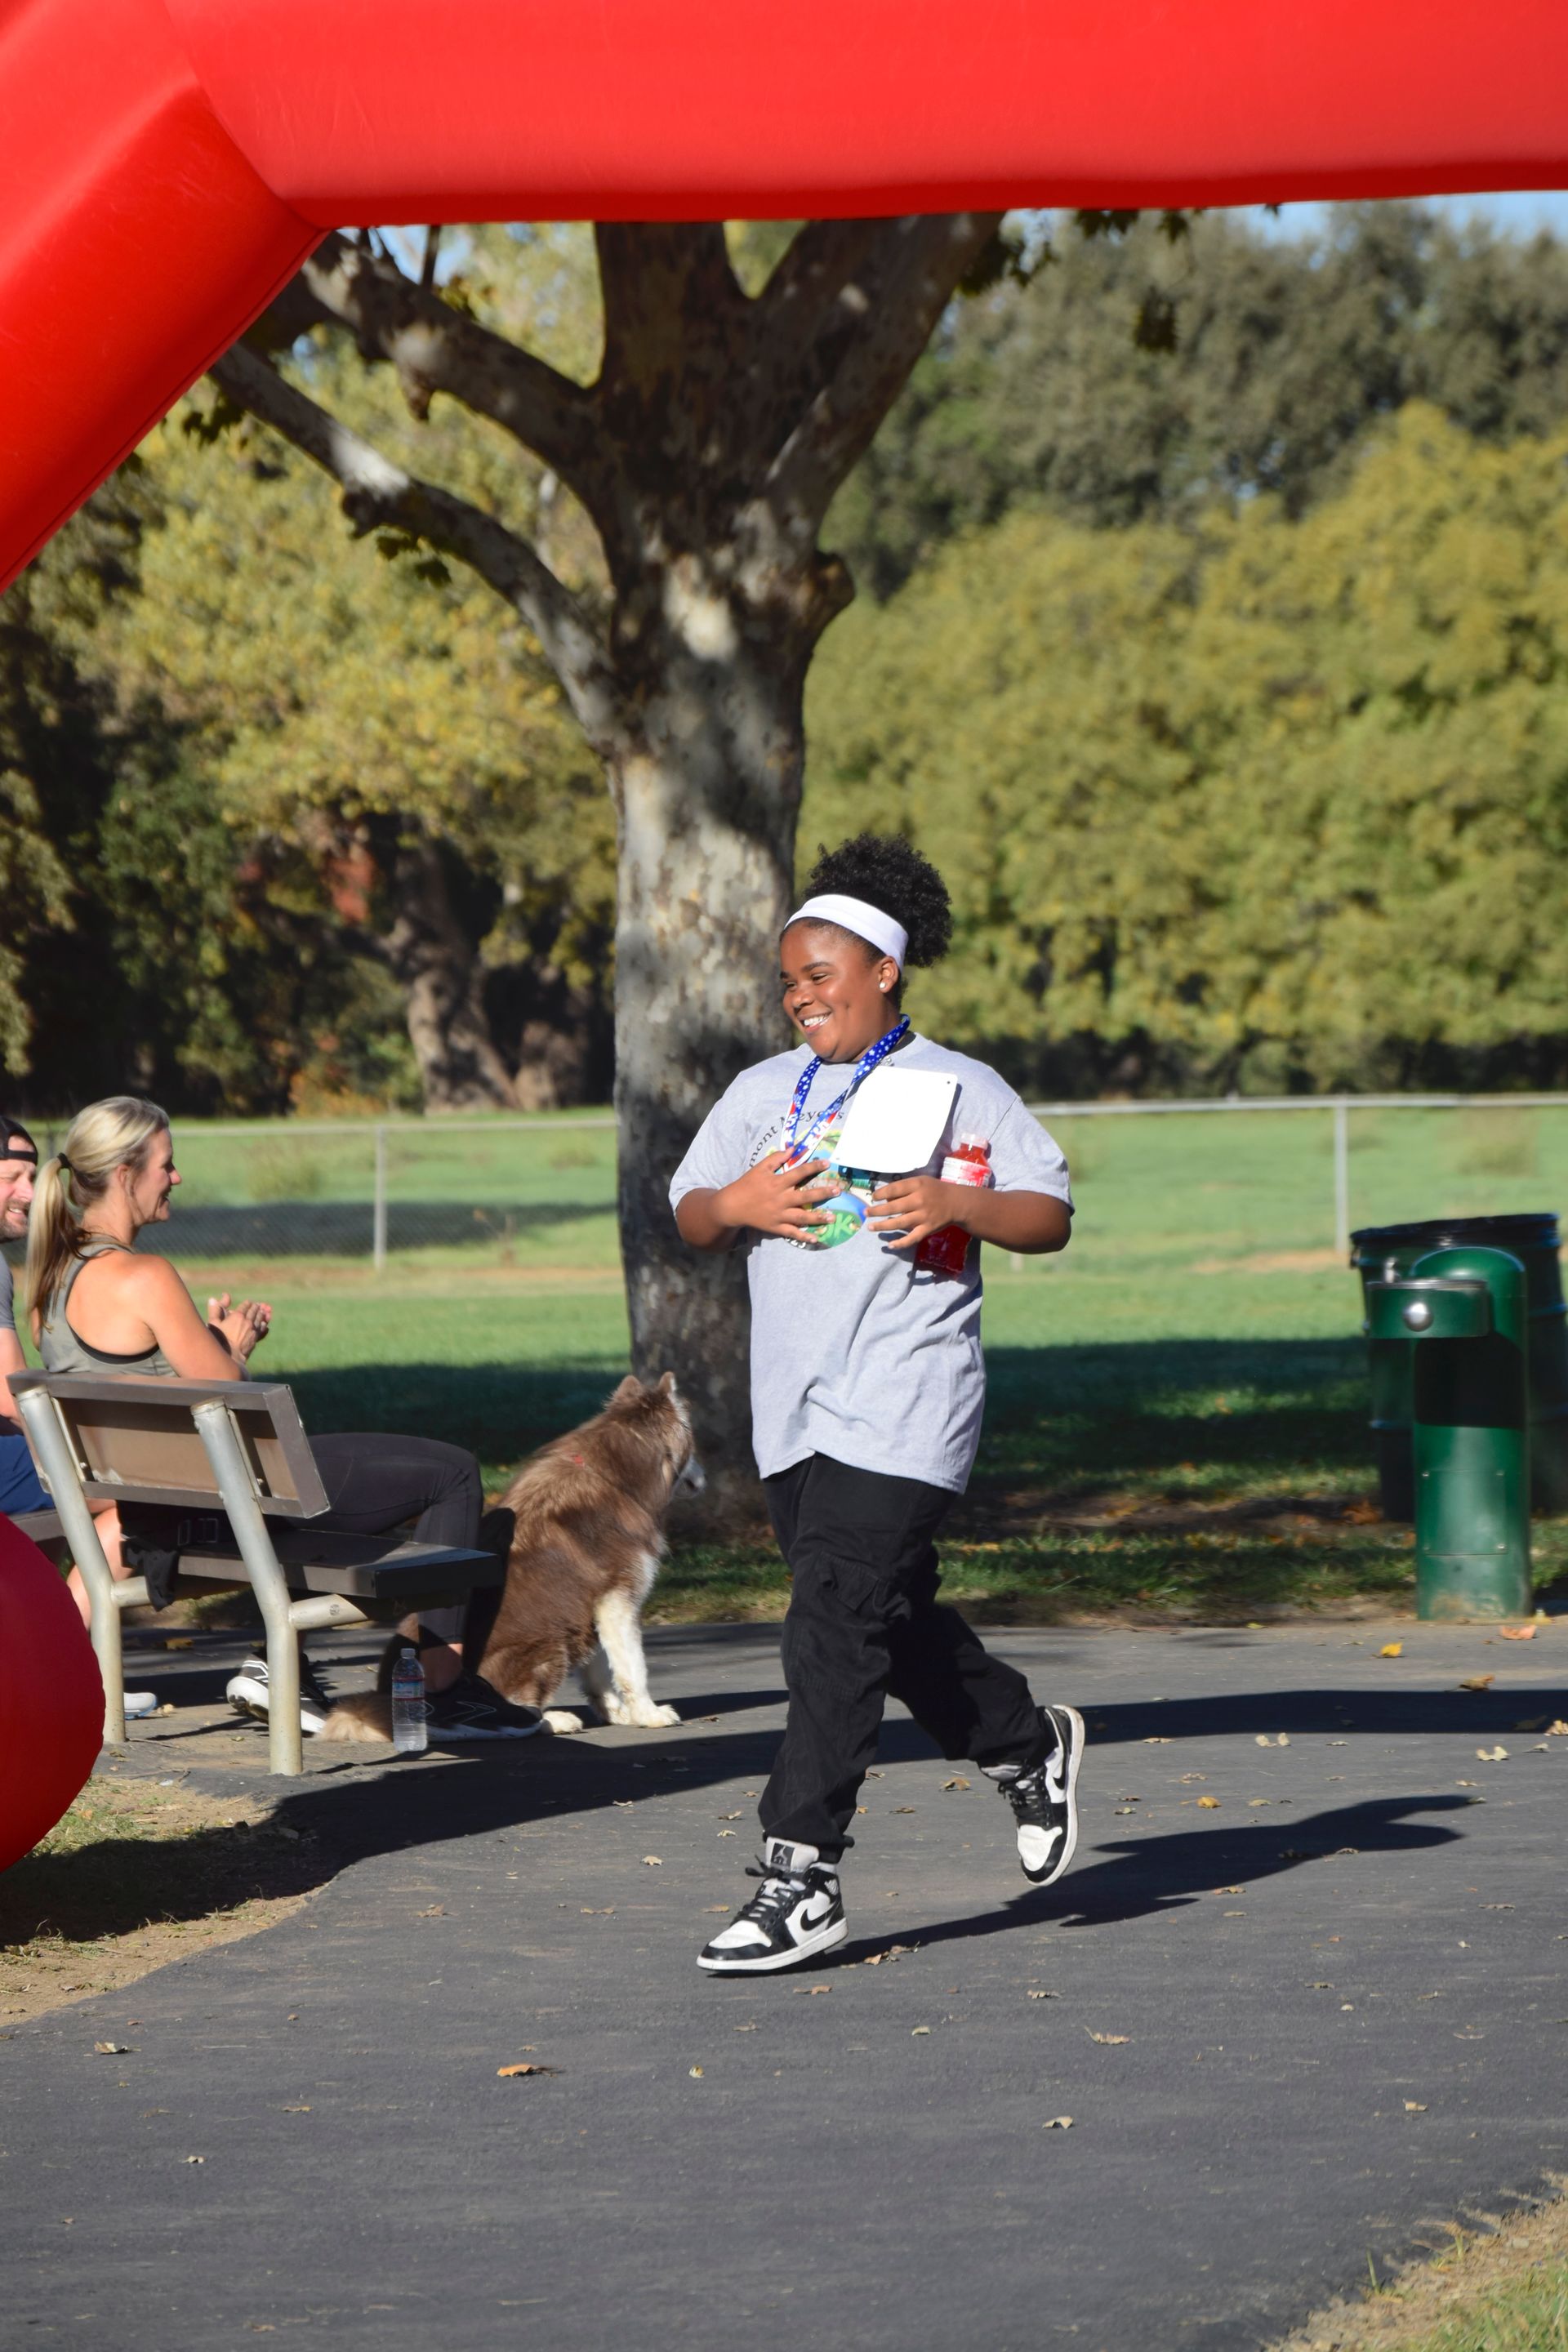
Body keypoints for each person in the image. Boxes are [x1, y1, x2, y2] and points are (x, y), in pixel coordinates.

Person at [670, 835, 1085, 1974]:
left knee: (832, 1623)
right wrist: (740, 1200)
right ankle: (1023, 1743)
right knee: (880, 1618)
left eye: (822, 973)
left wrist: (960, 1195)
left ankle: (798, 1874)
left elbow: (1047, 1210)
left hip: (909, 1399)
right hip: (793, 1411)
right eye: (790, 978)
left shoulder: (960, 1088)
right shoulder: (763, 1093)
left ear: (884, 971)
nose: (800, 993)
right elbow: (691, 1211)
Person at [29, 1095, 539, 1740]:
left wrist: (210, 1344)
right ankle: (441, 1691)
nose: (177, 1177)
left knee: (358, 1473)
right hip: (220, 1507)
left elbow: (144, 1380)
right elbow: (224, 1393)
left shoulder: (51, 1281)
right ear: (127, 1174)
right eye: (167, 1164)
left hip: (157, 1511)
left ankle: (285, 1663)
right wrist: (233, 1347)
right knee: (454, 1475)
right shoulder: (143, 1275)